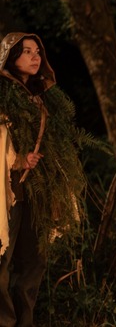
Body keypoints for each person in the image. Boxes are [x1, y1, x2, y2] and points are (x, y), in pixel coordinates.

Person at [0, 32, 86, 326]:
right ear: (11, 58)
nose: (35, 57)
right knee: (2, 261)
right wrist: (16, 159)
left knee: (33, 264)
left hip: (38, 194)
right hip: (9, 191)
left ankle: (25, 322)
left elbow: (57, 146)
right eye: (26, 52)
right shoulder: (2, 95)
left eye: (38, 52)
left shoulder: (43, 98)